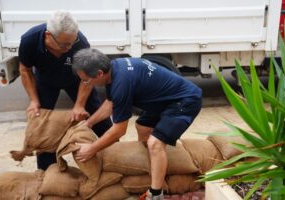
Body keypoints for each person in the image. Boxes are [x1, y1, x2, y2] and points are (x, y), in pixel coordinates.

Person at [72, 48, 202, 200]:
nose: (86, 83)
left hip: (185, 101)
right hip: (163, 101)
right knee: (142, 127)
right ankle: (151, 166)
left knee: (155, 143)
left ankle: (156, 194)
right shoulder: (114, 68)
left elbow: (119, 130)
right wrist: (88, 123)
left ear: (100, 73)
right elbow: (111, 103)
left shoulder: (121, 82)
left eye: (86, 80)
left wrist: (92, 149)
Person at [18, 11, 112, 170]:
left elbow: (87, 75)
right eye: (64, 44)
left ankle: (114, 153)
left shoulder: (79, 42)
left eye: (71, 42)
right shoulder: (29, 40)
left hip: (76, 80)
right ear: (48, 36)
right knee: (43, 123)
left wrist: (79, 105)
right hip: (46, 82)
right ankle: (48, 169)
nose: (69, 47)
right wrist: (34, 100)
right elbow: (25, 70)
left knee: (97, 114)